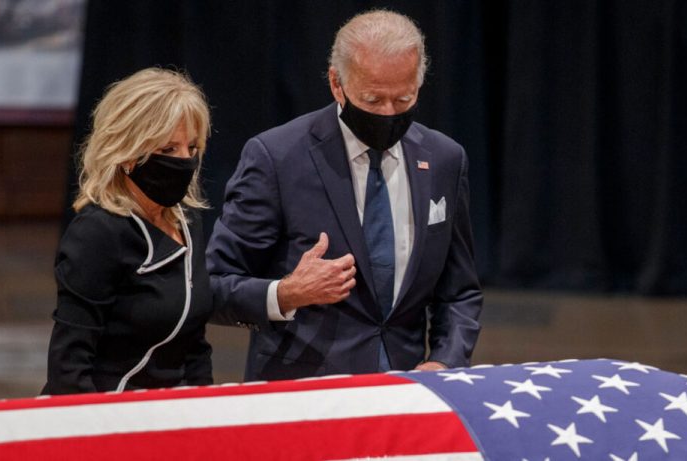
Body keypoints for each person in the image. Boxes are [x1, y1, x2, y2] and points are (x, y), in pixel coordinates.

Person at [206, 9, 483, 381]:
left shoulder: (444, 159)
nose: (388, 113)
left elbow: (459, 293)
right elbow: (214, 284)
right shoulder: (278, 157)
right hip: (303, 395)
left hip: (405, 392)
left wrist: (445, 361)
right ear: (337, 84)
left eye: (403, 100)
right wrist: (286, 293)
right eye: (373, 100)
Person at [42, 68, 214, 394]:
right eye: (168, 149)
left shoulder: (188, 219)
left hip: (170, 412)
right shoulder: (97, 233)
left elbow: (194, 346)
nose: (185, 161)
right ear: (127, 154)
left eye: (192, 148)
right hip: (108, 411)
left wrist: (205, 411)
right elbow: (69, 368)